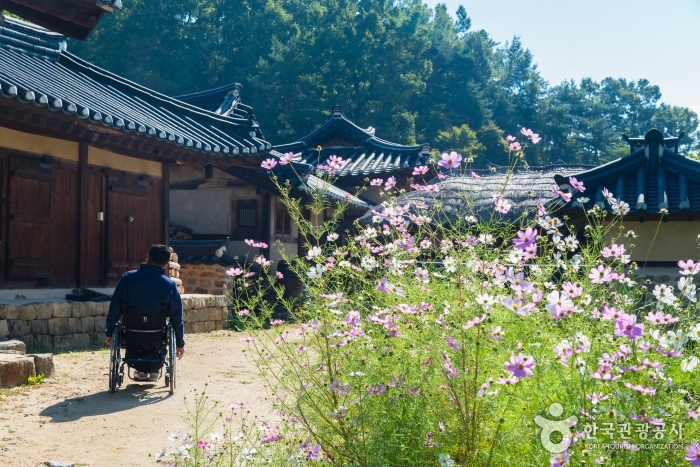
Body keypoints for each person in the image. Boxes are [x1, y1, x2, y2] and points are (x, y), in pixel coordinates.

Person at [105, 244, 185, 381]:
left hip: (131, 332)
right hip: (156, 334)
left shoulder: (127, 278)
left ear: (147, 258)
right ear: (166, 264)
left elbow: (115, 308)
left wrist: (109, 331)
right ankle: (154, 369)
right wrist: (180, 343)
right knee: (162, 328)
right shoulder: (169, 285)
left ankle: (139, 369)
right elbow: (176, 317)